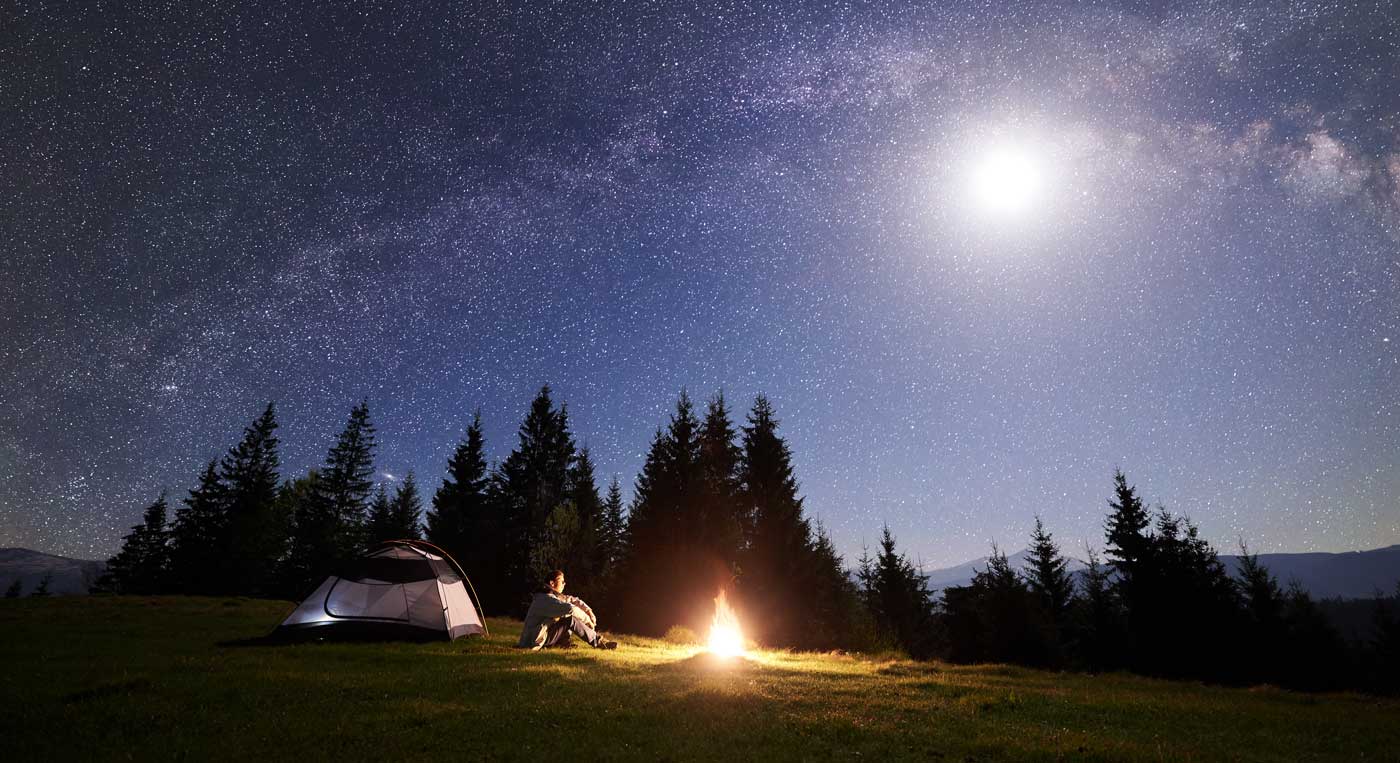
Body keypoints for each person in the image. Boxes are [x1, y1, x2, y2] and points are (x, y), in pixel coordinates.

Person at [516, 569, 618, 650]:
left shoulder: (551, 596)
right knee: (569, 618)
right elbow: (570, 608)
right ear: (552, 583)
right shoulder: (545, 599)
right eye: (562, 581)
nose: (564, 584)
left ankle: (562, 643)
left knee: (565, 616)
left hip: (539, 637)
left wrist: (588, 611)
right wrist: (587, 621)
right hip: (533, 641)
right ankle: (599, 642)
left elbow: (572, 600)